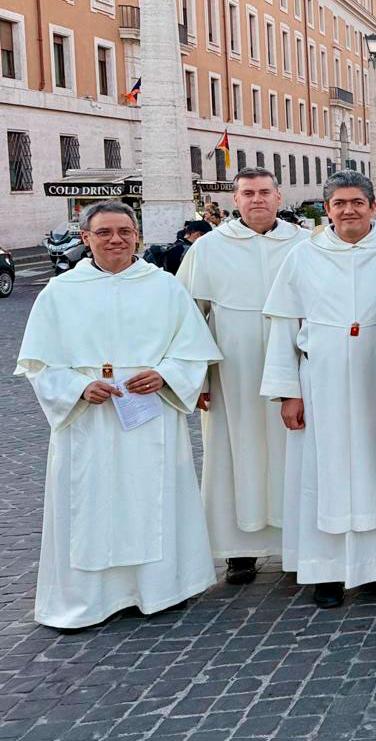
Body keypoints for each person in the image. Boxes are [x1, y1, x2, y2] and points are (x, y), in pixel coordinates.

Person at [17, 201, 222, 628]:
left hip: (149, 413)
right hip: (89, 419)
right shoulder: (60, 293)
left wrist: (166, 375)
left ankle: (160, 588)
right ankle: (93, 598)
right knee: (89, 505)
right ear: (86, 238)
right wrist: (77, 386)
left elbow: (193, 351)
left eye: (125, 232)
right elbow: (38, 364)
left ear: (137, 236)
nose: (116, 240)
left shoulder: (164, 287)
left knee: (154, 497)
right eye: (105, 232)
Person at [260, 171, 376, 609]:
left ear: (373, 207)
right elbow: (283, 326)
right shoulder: (302, 256)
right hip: (321, 383)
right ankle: (325, 571)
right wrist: (287, 392)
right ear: (327, 209)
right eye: (339, 203)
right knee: (320, 473)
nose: (348, 210)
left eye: (356, 202)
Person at [177, 168, 309, 586]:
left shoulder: (304, 244)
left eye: (264, 192)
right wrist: (195, 380)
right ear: (235, 200)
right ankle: (239, 550)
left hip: (294, 368)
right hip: (231, 373)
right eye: (248, 193)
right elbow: (187, 318)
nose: (257, 200)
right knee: (232, 455)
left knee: (295, 454)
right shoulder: (209, 249)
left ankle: (297, 544)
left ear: (279, 195)